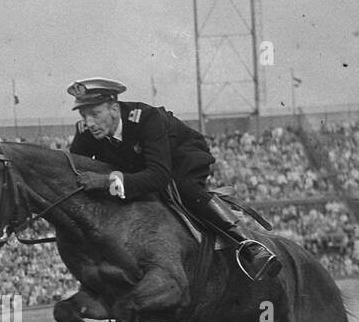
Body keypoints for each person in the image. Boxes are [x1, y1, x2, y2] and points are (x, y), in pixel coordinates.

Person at [66, 77, 281, 280]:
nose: (89, 122)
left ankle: (250, 246)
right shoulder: (86, 129)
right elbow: (72, 170)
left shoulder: (146, 118)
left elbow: (158, 176)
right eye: (84, 116)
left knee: (185, 188)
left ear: (114, 108)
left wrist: (107, 182)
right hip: (139, 167)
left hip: (182, 156)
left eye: (95, 113)